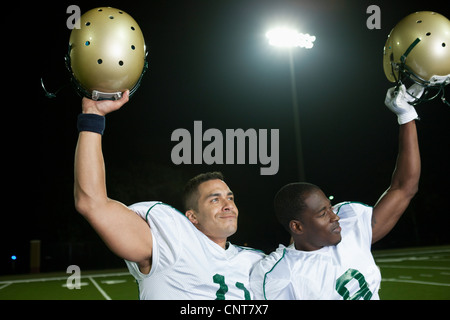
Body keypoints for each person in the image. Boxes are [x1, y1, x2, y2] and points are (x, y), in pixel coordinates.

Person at [73, 90, 265, 299]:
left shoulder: (257, 261)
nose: (228, 205)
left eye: (230, 197)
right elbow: (92, 204)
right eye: (215, 199)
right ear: (192, 216)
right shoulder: (172, 242)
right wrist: (92, 117)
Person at [250, 84, 422, 300]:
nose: (335, 216)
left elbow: (404, 188)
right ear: (297, 226)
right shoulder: (280, 275)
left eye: (330, 208)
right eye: (323, 213)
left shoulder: (351, 228)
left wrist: (406, 116)